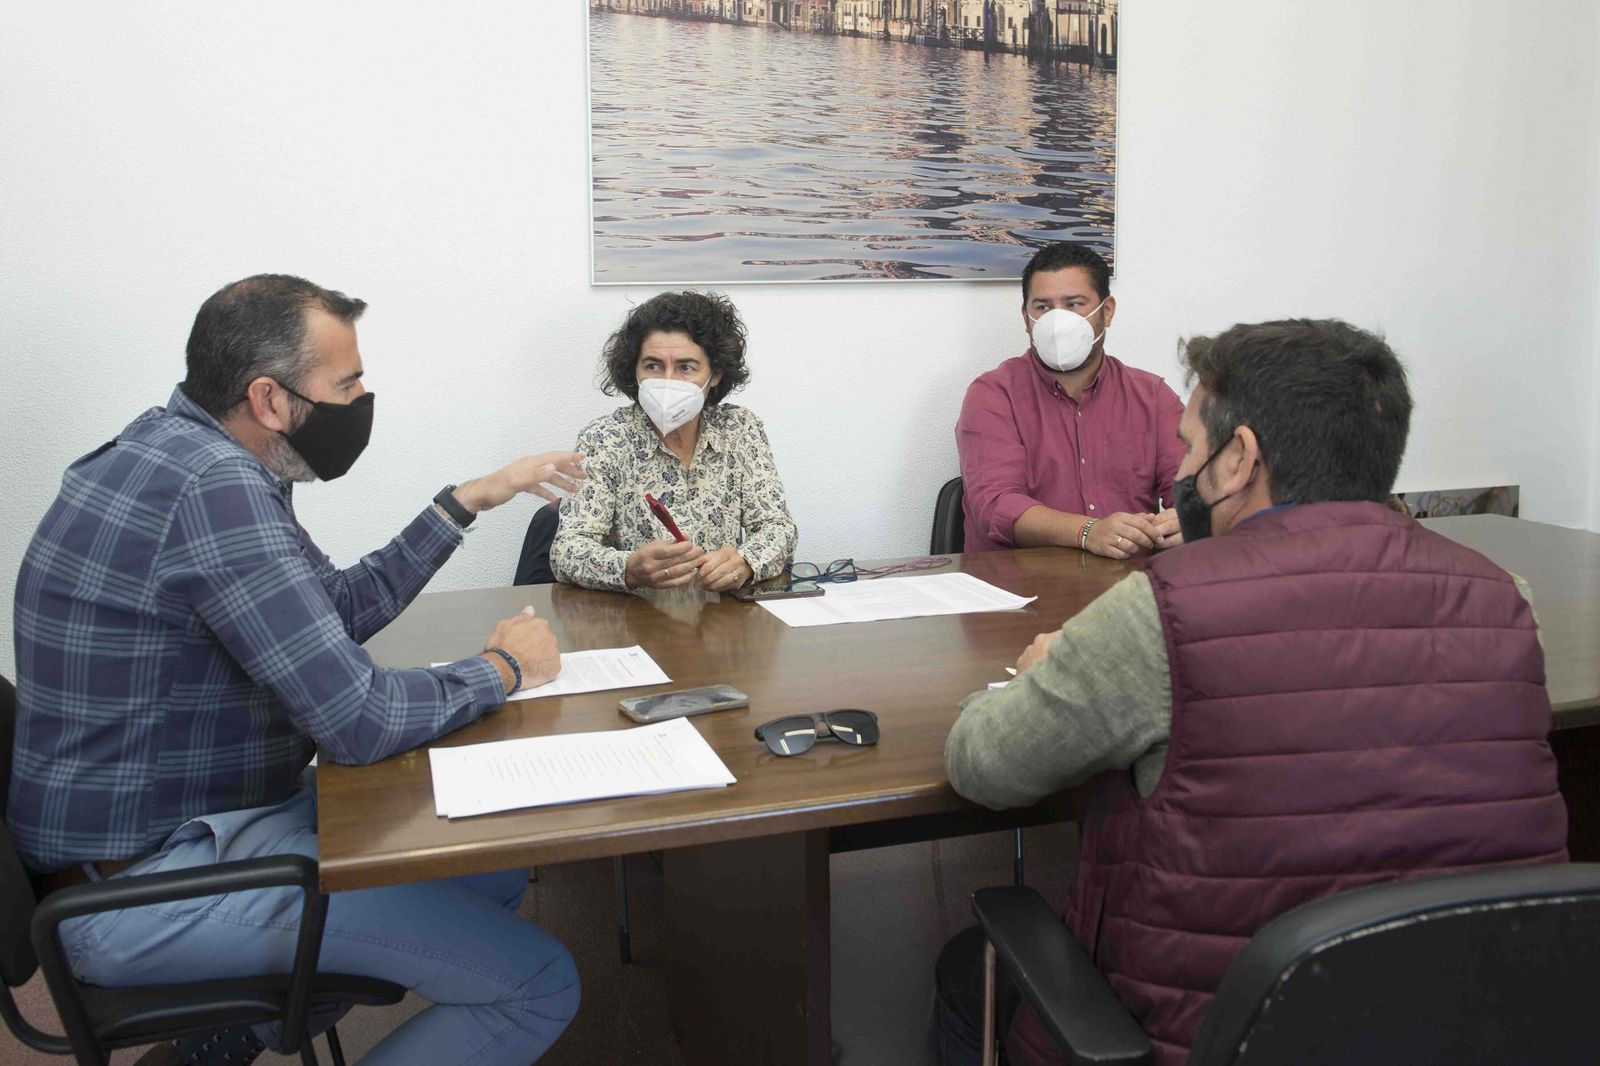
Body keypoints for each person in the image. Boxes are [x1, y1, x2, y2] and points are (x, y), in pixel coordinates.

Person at [938, 319, 1567, 1066]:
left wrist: (1042, 672)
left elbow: (982, 764)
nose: (1184, 469)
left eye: (1192, 446)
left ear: (1239, 460)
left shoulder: (1165, 612)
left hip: (1204, 1039)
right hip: (1467, 1033)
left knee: (961, 970)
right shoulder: (1507, 600)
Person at [9, 275, 588, 1066]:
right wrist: (502, 669)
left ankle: (229, 1035)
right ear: (271, 399)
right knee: (539, 984)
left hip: (176, 833)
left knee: (492, 873)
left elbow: (333, 608)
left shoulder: (187, 449)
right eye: (346, 383)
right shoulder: (214, 488)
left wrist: (465, 502)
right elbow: (359, 725)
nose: (362, 400)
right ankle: (234, 1015)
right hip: (138, 891)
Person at [551, 290, 798, 592]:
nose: (668, 381)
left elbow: (779, 529)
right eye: (653, 366)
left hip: (722, 621)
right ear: (634, 370)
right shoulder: (604, 439)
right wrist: (629, 569)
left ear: (716, 374)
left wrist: (745, 561)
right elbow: (566, 551)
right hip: (637, 619)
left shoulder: (740, 430)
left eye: (686, 367)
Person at [956, 242, 1186, 558]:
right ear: (1026, 318)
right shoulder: (993, 395)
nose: (1058, 320)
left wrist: (1189, 519)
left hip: (1129, 586)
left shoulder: (1153, 397)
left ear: (1106, 312)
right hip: (1018, 588)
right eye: (1043, 307)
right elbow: (996, 505)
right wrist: (1087, 531)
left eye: (1074, 304)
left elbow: (1194, 489)